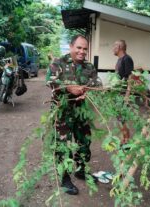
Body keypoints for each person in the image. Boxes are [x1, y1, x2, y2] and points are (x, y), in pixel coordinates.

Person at [46, 35, 102, 195]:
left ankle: (80, 169)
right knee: (62, 146)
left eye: (85, 49)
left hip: (81, 112)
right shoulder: (58, 63)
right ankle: (64, 178)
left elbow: (96, 83)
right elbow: (50, 81)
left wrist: (88, 91)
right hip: (62, 112)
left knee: (84, 142)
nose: (82, 51)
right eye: (79, 47)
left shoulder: (89, 67)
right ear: (71, 47)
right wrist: (68, 87)